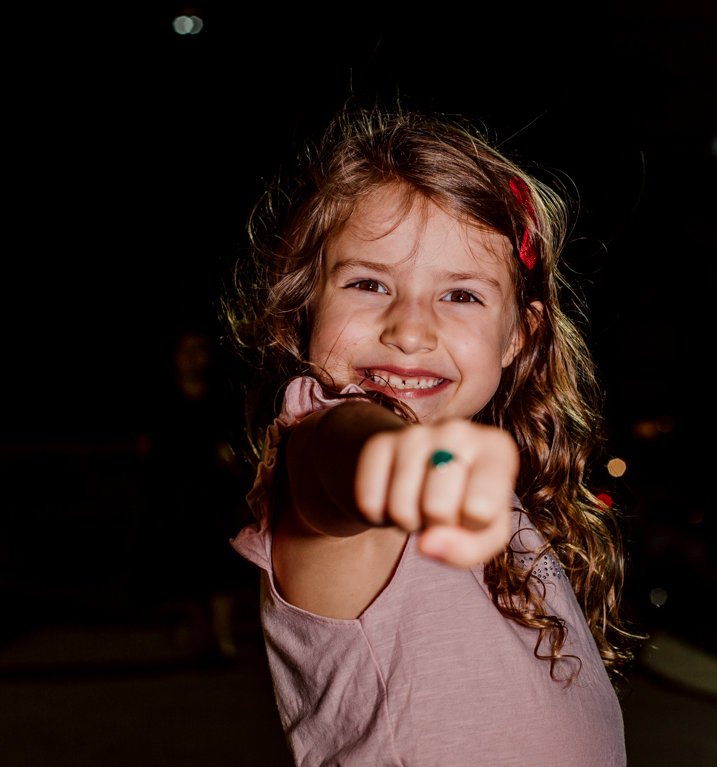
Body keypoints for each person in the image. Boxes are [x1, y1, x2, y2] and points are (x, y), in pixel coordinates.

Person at [226, 109, 637, 765]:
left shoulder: (491, 494)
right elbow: (355, 453)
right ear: (304, 311)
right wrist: (405, 462)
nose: (410, 331)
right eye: (367, 284)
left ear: (519, 336)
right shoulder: (319, 445)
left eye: (462, 296)